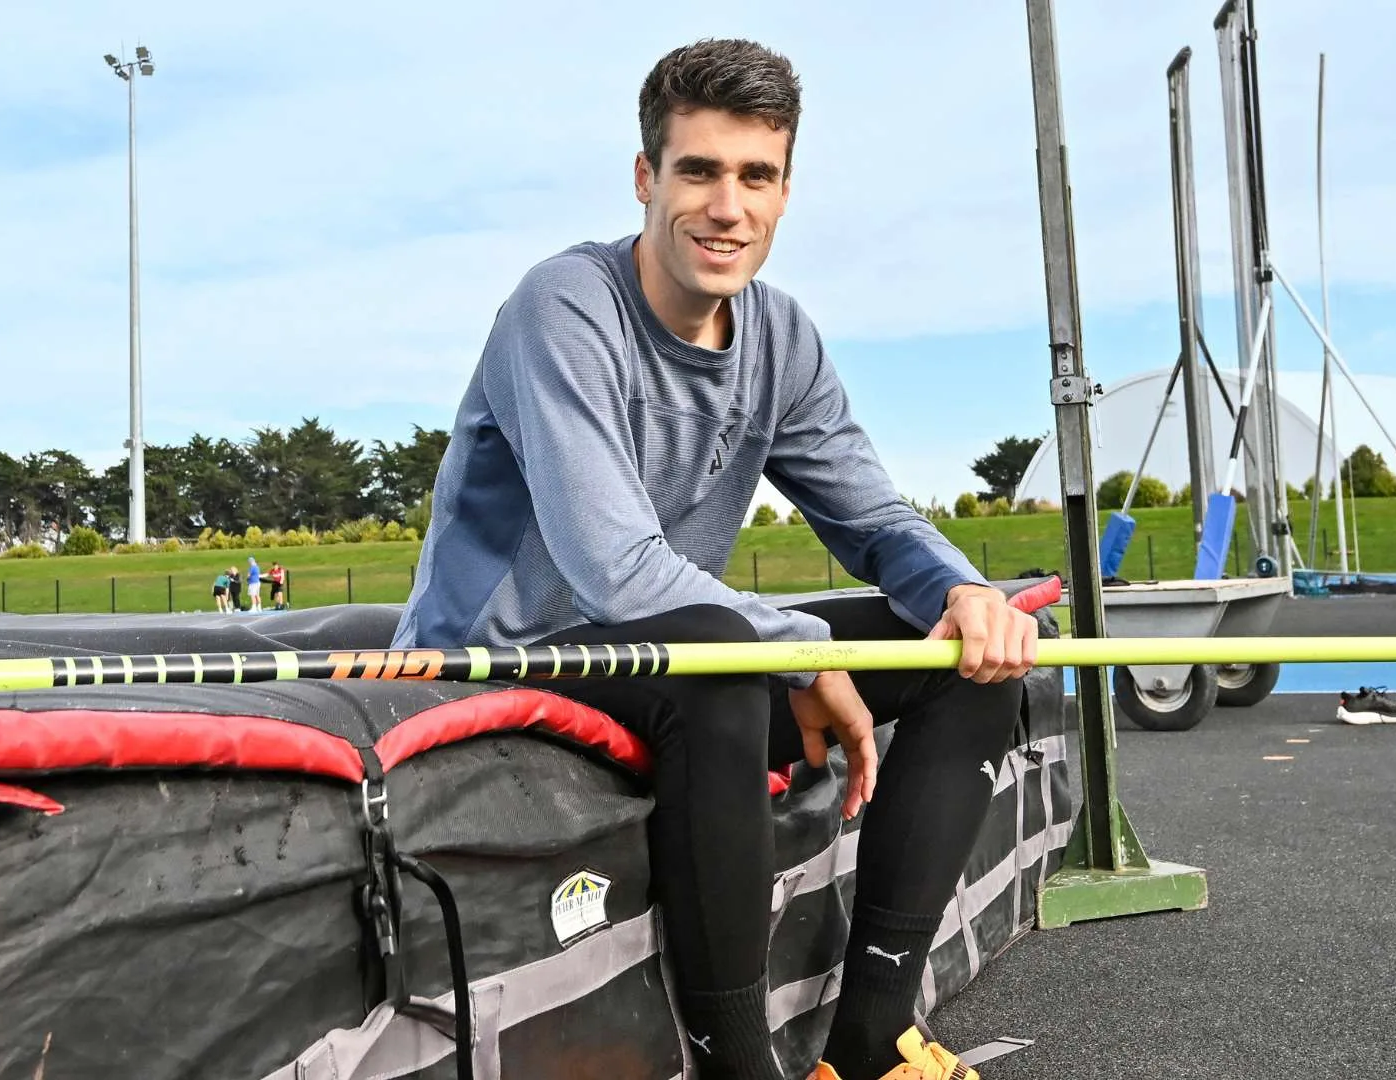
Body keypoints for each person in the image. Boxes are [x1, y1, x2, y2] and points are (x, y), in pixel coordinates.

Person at [391, 39, 1036, 1080]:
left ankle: (871, 1041)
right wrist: (805, 652)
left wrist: (964, 591)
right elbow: (613, 567)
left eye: (755, 176)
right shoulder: (562, 306)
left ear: (784, 192)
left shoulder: (782, 338)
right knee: (722, 654)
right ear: (646, 177)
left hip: (672, 667)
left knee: (959, 654)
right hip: (501, 664)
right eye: (698, 171)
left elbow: (874, 520)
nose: (727, 208)